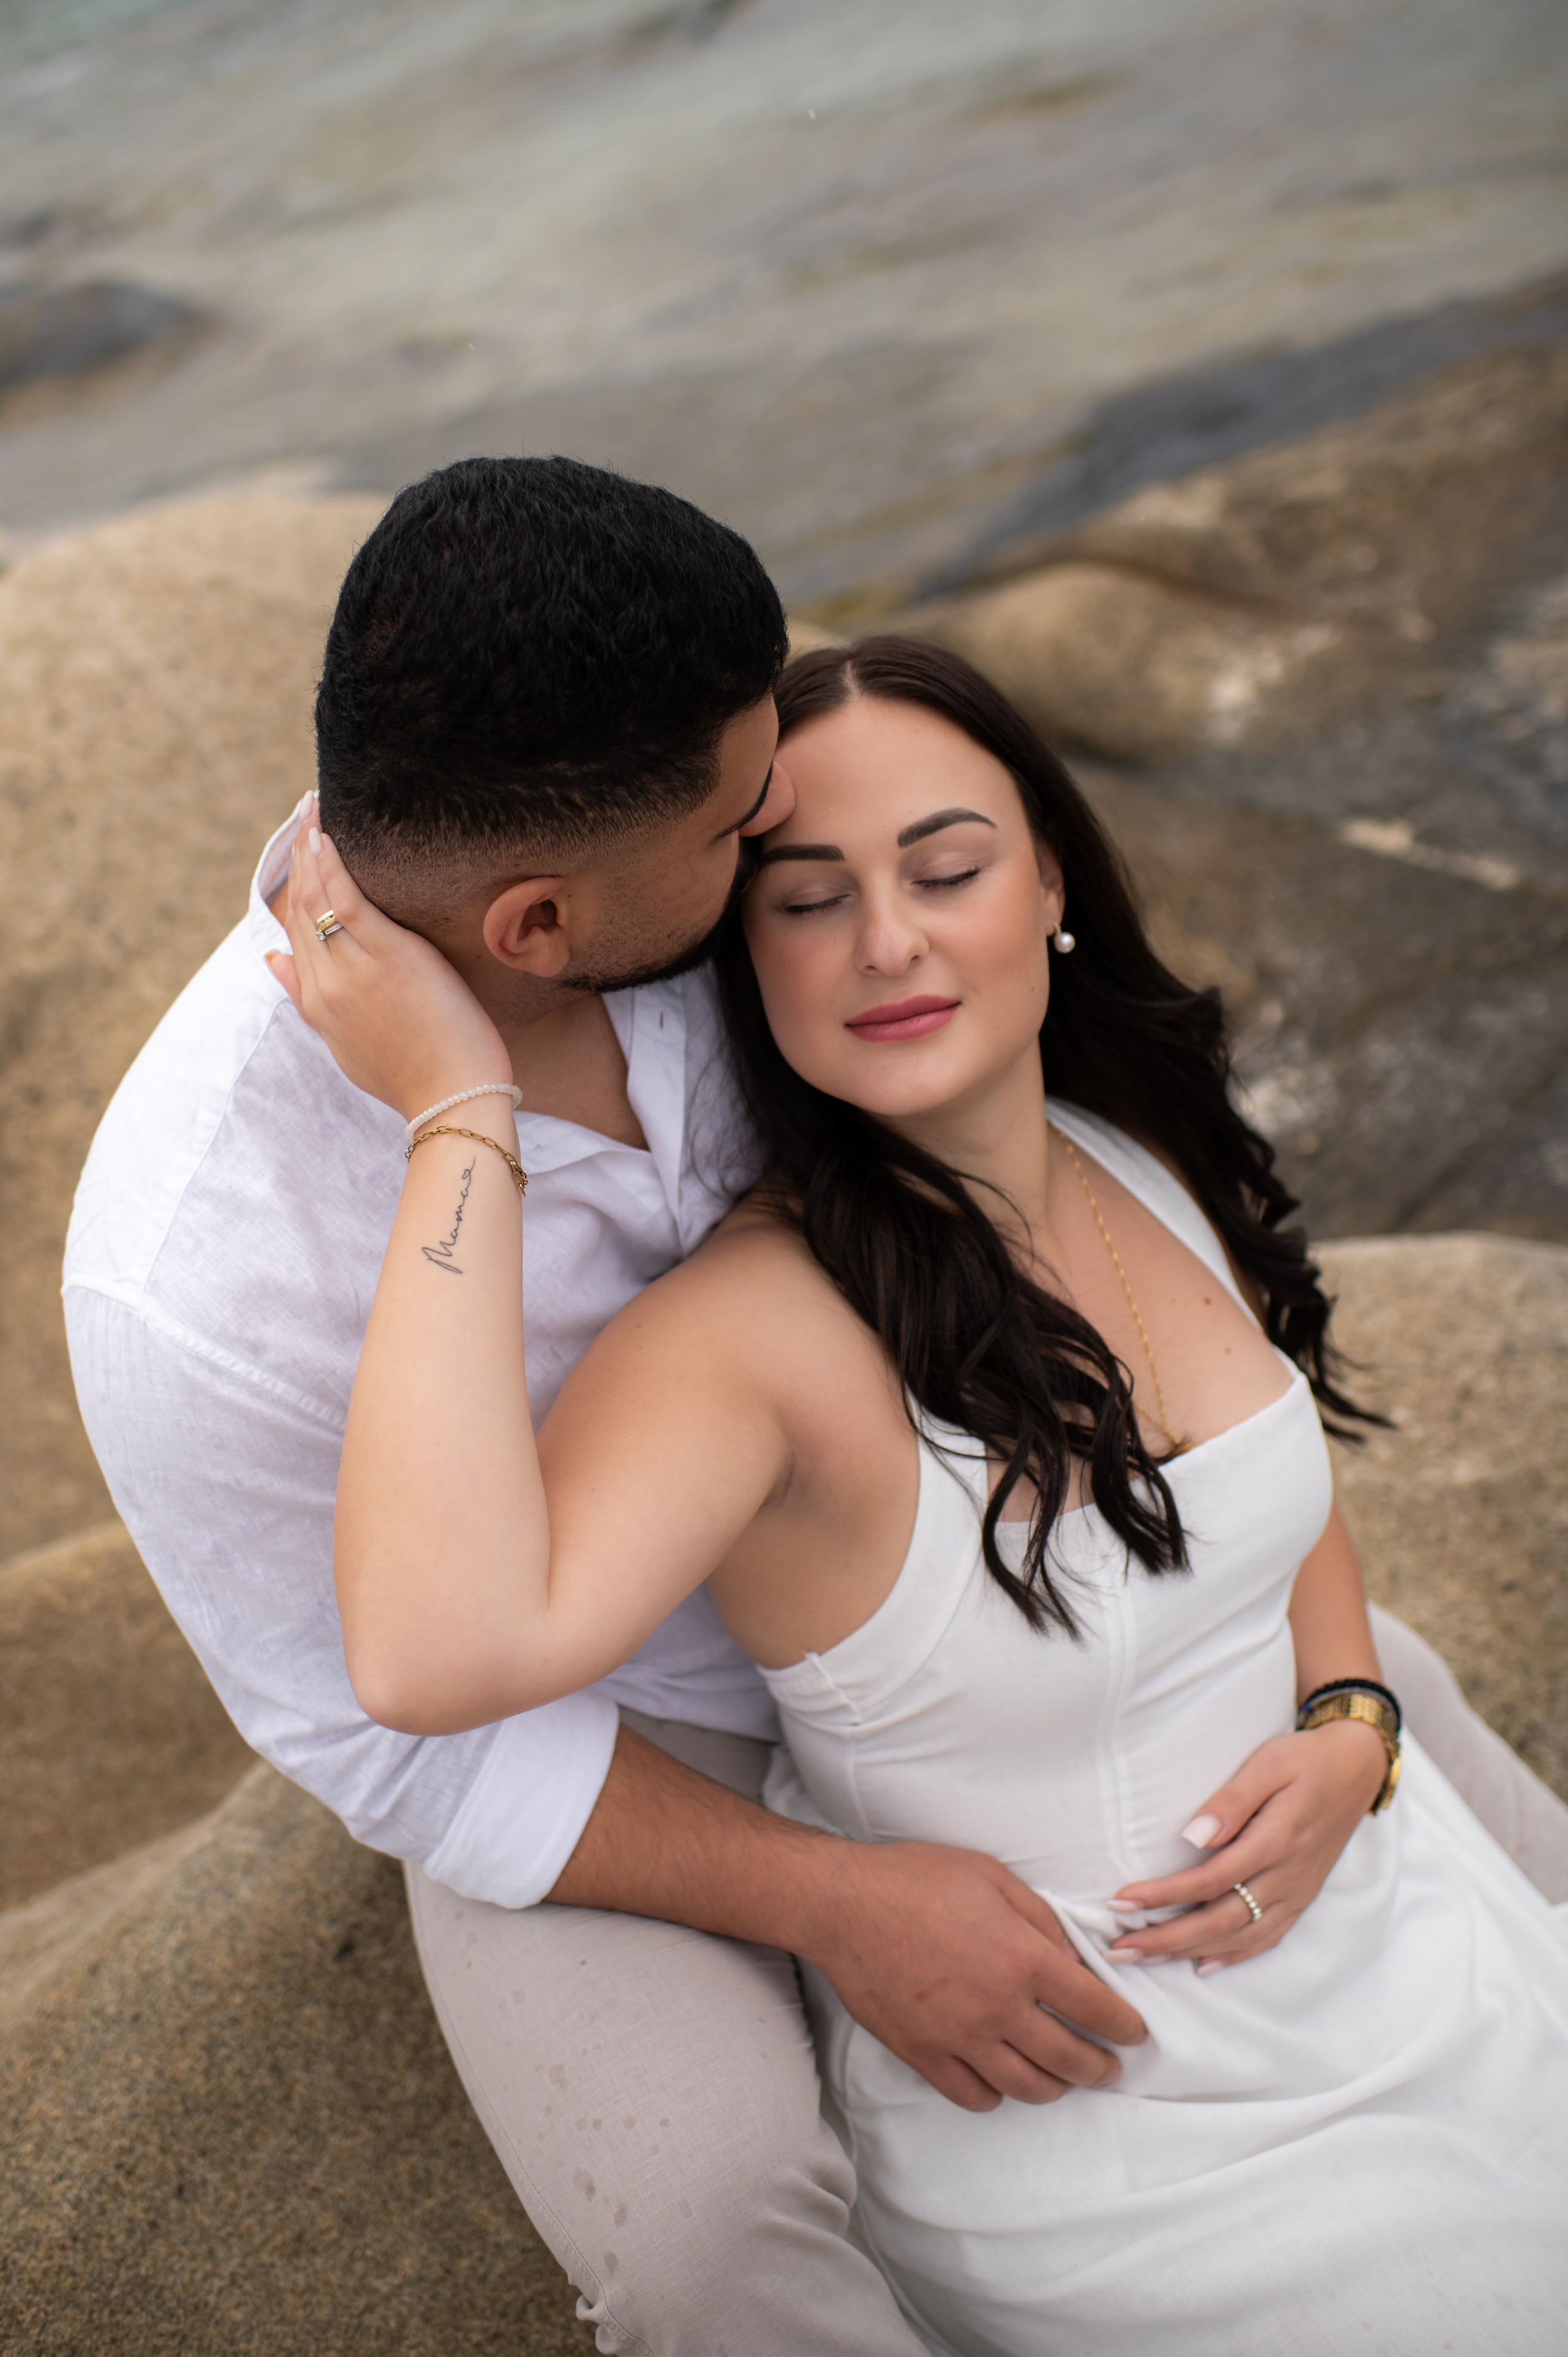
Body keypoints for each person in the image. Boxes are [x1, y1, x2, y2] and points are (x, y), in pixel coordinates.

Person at [66, 461, 1568, 2356]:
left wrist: (1340, 1694)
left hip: (991, 1579)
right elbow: (411, 1727)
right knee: (712, 2226)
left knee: (1405, 1734)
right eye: (752, 838)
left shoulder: (727, 903)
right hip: (614, 1738)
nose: (796, 826)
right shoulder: (189, 1272)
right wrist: (838, 1900)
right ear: (538, 925)